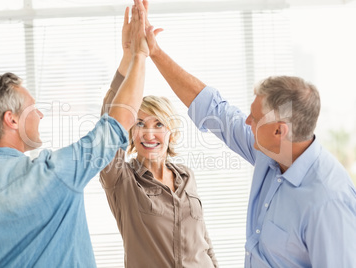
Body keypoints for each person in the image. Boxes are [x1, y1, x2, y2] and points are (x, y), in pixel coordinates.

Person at [141, 1, 356, 267]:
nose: (247, 120)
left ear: (279, 130)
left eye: (254, 118)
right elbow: (214, 109)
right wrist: (154, 52)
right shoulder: (273, 152)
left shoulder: (328, 200)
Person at [0, 1, 149, 267]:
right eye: (33, 108)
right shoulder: (53, 174)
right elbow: (120, 120)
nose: (40, 115)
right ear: (11, 119)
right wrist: (138, 54)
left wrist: (128, 58)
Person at [98, 4, 218, 268]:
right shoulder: (121, 179)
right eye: (140, 123)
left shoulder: (186, 176)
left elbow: (204, 243)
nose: (149, 132)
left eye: (158, 124)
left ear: (171, 132)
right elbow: (107, 126)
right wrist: (129, 58)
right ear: (130, 131)